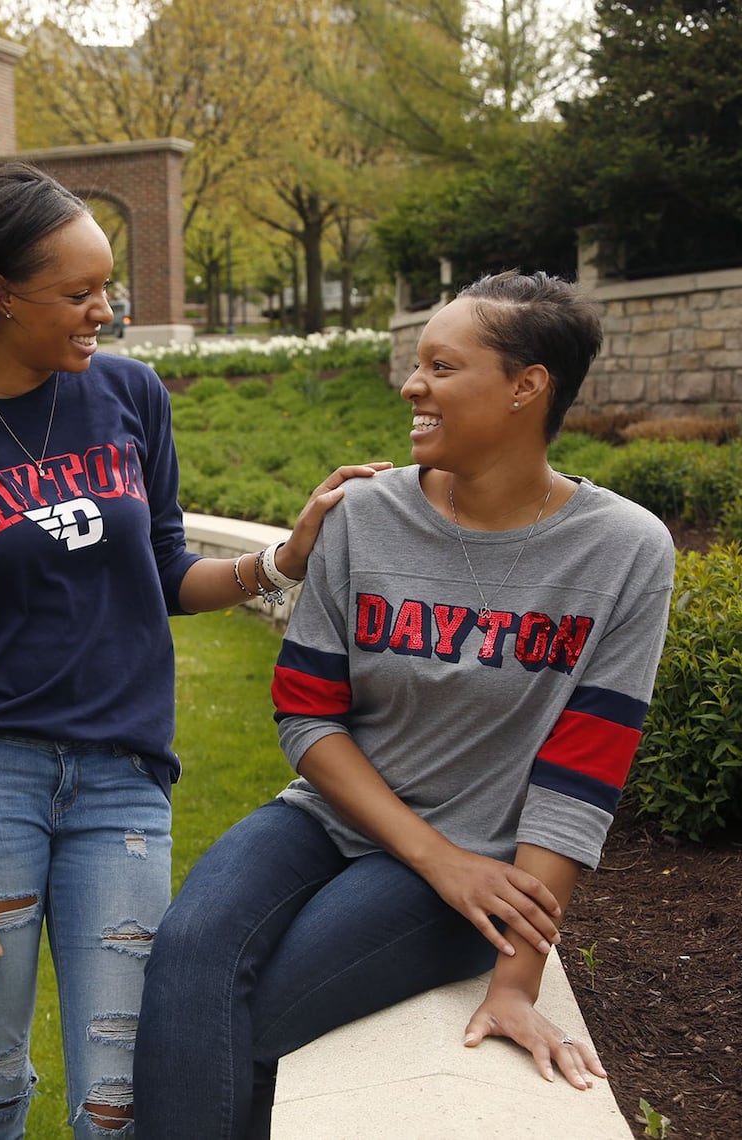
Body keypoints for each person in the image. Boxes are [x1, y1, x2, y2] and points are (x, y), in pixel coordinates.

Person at [0, 162, 384, 1138]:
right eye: (79, 293)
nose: (107, 311)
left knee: (116, 1099)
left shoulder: (128, 398)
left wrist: (281, 558)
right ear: (2, 293)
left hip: (123, 785)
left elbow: (166, 575)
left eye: (109, 288)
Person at [135, 270, 676, 1139]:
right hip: (329, 814)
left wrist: (513, 984)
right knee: (188, 959)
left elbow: (582, 774)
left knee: (263, 1012)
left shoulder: (622, 551)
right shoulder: (366, 512)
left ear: (525, 387)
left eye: (441, 366)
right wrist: (431, 854)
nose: (411, 384)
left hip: (480, 858)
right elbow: (308, 712)